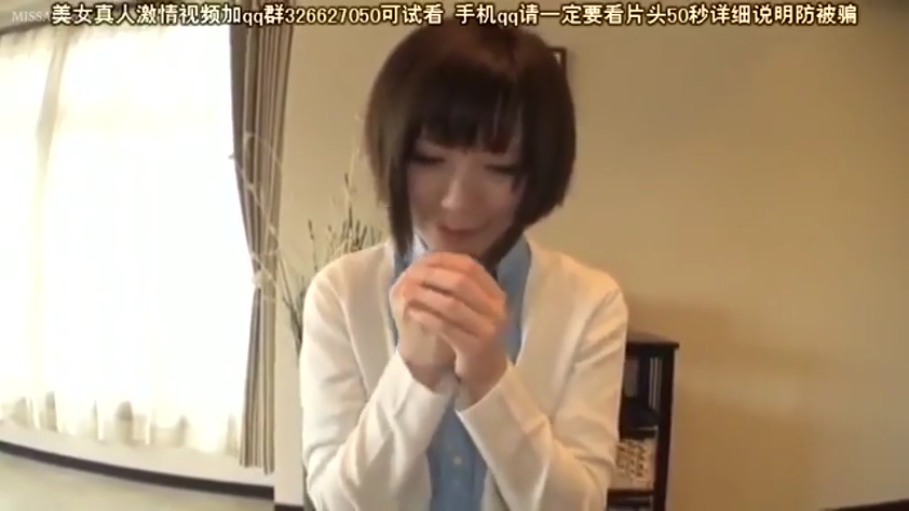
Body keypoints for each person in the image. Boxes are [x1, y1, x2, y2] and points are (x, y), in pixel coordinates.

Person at [299, 18, 629, 511]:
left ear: (539, 170)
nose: (457, 200)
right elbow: (338, 502)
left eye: (499, 169)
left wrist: (490, 375)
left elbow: (577, 505)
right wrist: (414, 371)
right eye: (430, 159)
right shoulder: (340, 294)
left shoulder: (591, 303)